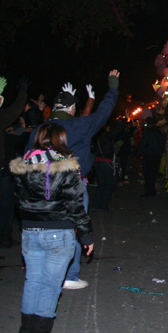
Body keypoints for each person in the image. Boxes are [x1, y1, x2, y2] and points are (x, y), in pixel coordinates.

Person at [25, 70, 119, 290]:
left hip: (39, 187)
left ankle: (43, 272)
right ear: (71, 110)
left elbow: (27, 158)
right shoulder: (80, 126)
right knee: (73, 228)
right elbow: (103, 113)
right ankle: (69, 274)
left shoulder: (39, 130)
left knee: (44, 229)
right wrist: (113, 88)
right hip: (72, 186)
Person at [11, 123, 93, 333]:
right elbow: (75, 204)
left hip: (29, 232)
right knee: (50, 285)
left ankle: (26, 329)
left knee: (33, 281)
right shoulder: (65, 165)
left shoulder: (24, 164)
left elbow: (19, 199)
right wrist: (86, 235)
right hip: (58, 231)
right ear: (60, 140)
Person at [1, 77, 31, 248]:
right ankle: (4, 238)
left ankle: (5, 237)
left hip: (5, 171)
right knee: (6, 207)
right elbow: (13, 111)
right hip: (3, 174)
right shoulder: (5, 132)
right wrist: (22, 93)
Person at [138, 116, 167, 197]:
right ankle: (152, 189)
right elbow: (162, 143)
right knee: (154, 172)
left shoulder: (147, 132)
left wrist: (139, 152)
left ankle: (149, 190)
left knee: (148, 173)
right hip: (157, 154)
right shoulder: (159, 132)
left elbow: (143, 143)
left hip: (148, 154)